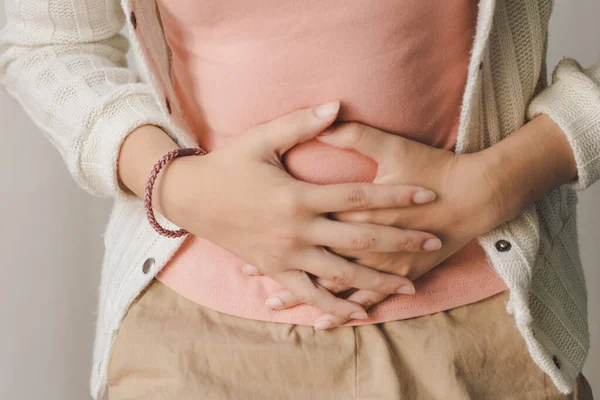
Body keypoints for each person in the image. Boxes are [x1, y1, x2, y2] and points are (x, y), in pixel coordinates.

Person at [1, 0, 597, 399]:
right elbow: (47, 44)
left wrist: (494, 184)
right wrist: (174, 182)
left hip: (481, 336)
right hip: (193, 345)